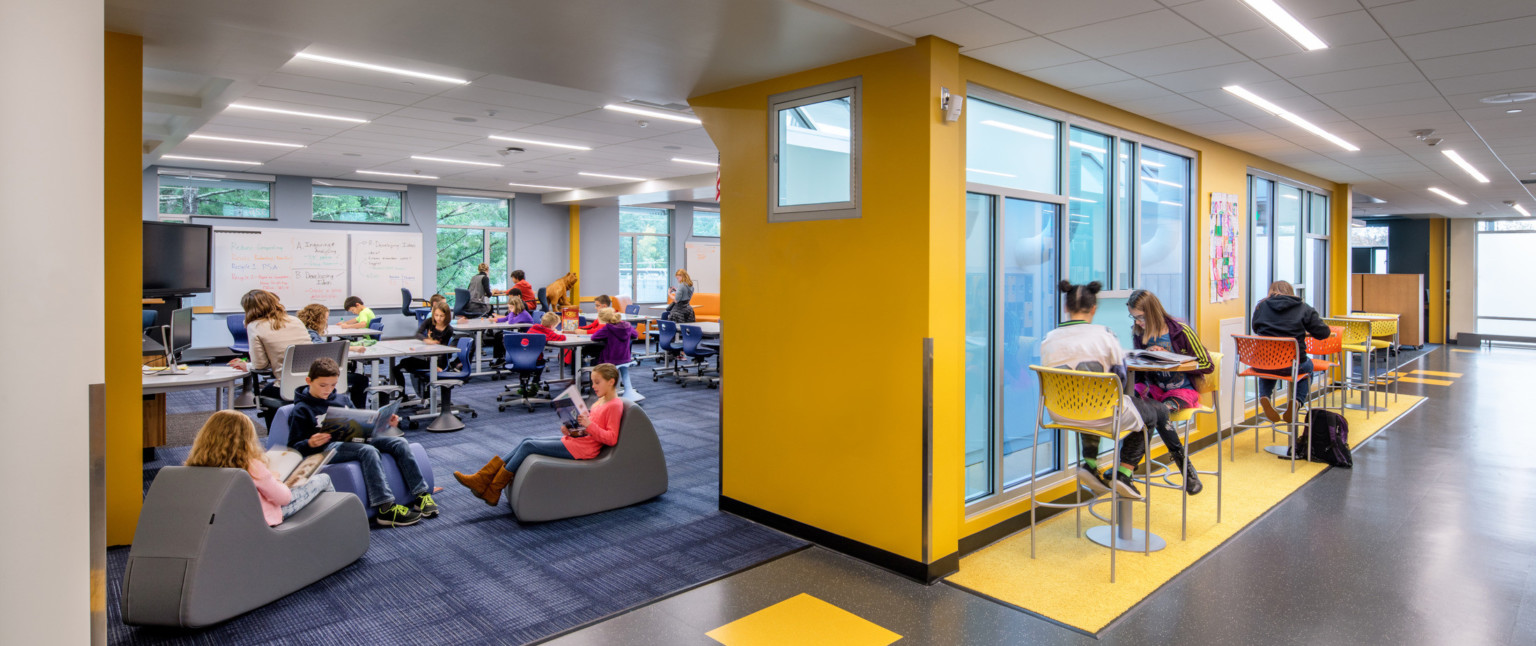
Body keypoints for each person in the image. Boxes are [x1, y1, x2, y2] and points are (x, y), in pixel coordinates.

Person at [1039, 280, 1156, 499]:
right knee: (1149, 415)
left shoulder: (1048, 339)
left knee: (1086, 401)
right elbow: (1120, 377)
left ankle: (1090, 463)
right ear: (1094, 308)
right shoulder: (1105, 335)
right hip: (1099, 413)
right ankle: (1123, 473)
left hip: (1059, 413)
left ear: (1066, 307)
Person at [288, 358, 436, 526]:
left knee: (399, 442)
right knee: (367, 451)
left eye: (333, 385)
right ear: (309, 381)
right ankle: (385, 507)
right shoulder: (301, 409)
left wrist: (384, 423)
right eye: (323, 385)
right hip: (326, 448)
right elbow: (294, 447)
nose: (328, 390)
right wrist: (310, 443)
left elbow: (361, 424)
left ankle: (421, 495)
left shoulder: (342, 399)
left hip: (352, 440)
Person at [454, 363, 624, 506]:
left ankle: (494, 487)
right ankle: (483, 479)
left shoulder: (614, 405)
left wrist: (589, 425)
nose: (593, 386)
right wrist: (572, 429)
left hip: (584, 450)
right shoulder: (601, 401)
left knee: (529, 446)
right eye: (593, 382)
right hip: (578, 442)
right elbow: (589, 428)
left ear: (611, 382)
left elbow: (611, 438)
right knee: (527, 440)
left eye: (597, 382)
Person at [185, 409, 334, 526]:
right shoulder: (251, 466)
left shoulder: (197, 462)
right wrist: (277, 480)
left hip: (226, 517)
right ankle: (335, 529)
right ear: (247, 439)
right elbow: (284, 498)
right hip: (263, 517)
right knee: (323, 479)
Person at [1126, 289, 1211, 494]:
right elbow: (1141, 367)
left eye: (1140, 317)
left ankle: (1126, 469)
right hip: (1153, 389)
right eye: (1133, 317)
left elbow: (1206, 364)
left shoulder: (1180, 330)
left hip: (1182, 391)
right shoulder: (1139, 332)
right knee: (1131, 407)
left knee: (1156, 412)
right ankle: (1126, 471)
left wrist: (1170, 356)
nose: (1137, 322)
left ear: (1153, 312)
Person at [1251, 280, 1331, 423]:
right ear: (1291, 293)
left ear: (1271, 292)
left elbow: (1256, 328)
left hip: (1265, 363)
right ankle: (1297, 401)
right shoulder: (1303, 308)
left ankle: (1265, 396)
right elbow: (1323, 333)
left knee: (1267, 365)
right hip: (1293, 365)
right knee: (1308, 368)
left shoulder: (1261, 306)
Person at [228, 290, 310, 426]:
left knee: (266, 392)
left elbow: (260, 365)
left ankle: (274, 438)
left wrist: (246, 365)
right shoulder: (295, 320)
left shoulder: (255, 326)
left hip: (287, 387)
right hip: (314, 382)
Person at [295, 302, 371, 408]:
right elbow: (321, 349)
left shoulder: (302, 331)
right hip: (318, 376)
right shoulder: (312, 334)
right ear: (318, 319)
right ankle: (359, 413)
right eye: (326, 319)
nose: (326, 322)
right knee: (361, 380)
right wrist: (352, 348)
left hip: (304, 374)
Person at [393, 301, 456, 396]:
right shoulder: (429, 321)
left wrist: (434, 366)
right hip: (426, 358)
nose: (438, 318)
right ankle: (402, 395)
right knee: (398, 367)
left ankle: (417, 394)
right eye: (436, 315)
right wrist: (426, 340)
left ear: (447, 316)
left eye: (441, 316)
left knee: (404, 363)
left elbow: (445, 353)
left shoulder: (449, 330)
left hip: (438, 361)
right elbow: (418, 334)